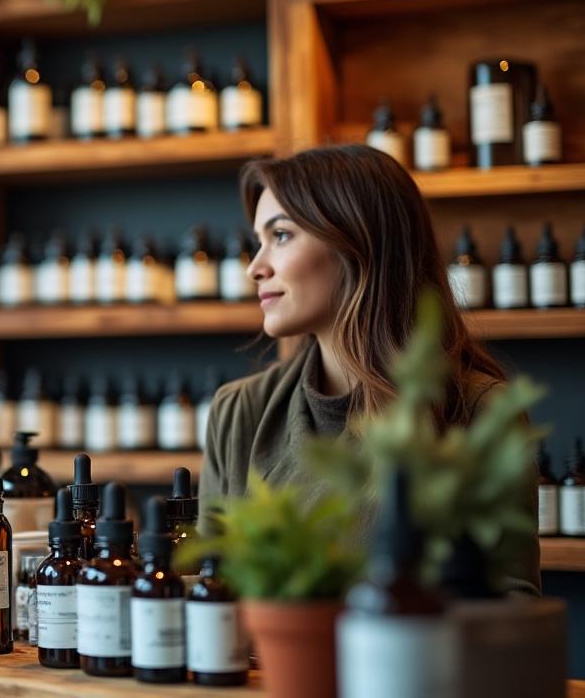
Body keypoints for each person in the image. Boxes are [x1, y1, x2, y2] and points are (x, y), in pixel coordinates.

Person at [199, 144, 540, 596]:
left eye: (280, 236)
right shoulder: (238, 413)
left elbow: (507, 609)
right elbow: (211, 594)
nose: (255, 268)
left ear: (355, 241)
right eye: (258, 241)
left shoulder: (479, 413)